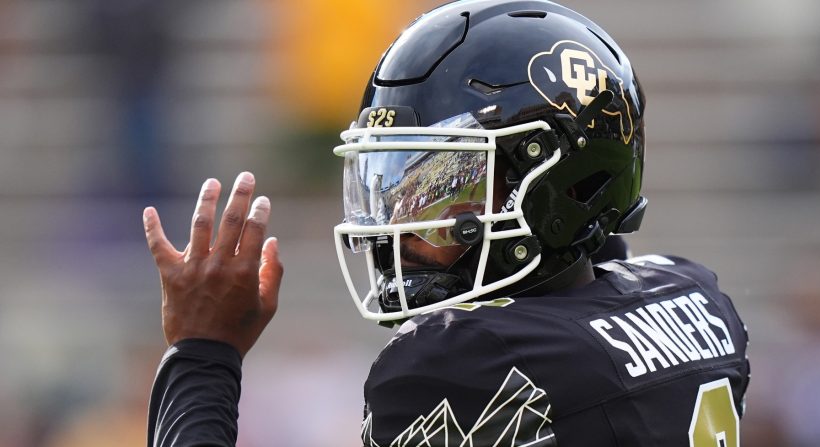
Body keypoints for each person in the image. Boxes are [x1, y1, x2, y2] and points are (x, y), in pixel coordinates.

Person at [144, 1, 750, 446]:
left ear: (555, 184)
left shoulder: (460, 360)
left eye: (447, 187)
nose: (399, 231)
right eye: (396, 181)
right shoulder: (696, 297)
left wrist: (203, 351)